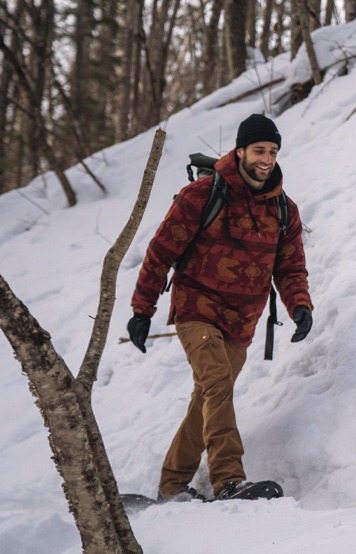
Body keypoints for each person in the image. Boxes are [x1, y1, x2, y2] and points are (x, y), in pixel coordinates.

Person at [127, 113, 313, 502]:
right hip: (197, 307)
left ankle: (173, 484)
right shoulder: (203, 194)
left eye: (273, 151)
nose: (267, 158)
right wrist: (142, 309)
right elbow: (161, 252)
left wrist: (299, 306)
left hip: (242, 321)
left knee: (208, 398)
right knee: (216, 384)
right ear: (240, 150)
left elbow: (290, 265)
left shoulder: (283, 210)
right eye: (259, 150)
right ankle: (229, 479)